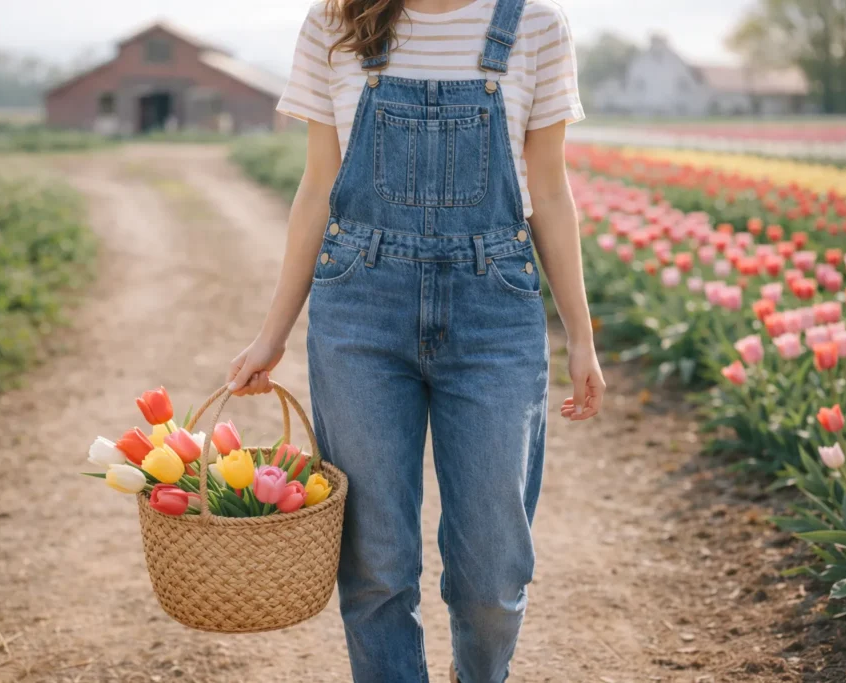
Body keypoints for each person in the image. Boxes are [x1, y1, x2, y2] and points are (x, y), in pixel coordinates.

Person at [225, 0, 605, 680]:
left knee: (492, 573)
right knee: (376, 567)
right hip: (360, 308)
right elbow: (318, 188)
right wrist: (271, 333)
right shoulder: (336, 23)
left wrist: (580, 335)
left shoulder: (537, 25)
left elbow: (549, 191)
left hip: (494, 309)